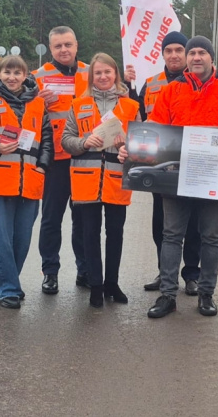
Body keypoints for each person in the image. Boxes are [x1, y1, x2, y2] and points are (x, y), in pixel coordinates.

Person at [120, 36, 218, 318]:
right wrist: (131, 150)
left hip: (215, 173)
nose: (196, 58)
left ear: (211, 58)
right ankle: (168, 295)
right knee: (171, 236)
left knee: (211, 237)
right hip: (176, 176)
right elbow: (154, 128)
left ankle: (206, 294)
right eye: (192, 53)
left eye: (202, 52)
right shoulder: (171, 91)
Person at [0, 55, 53, 309]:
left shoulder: (37, 105)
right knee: (3, 237)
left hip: (31, 179)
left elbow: (46, 139)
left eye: (18, 73)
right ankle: (8, 289)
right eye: (7, 72)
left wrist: (42, 165)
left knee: (22, 238)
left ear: (25, 76)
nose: (12, 77)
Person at [126, 31, 202, 295]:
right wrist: (127, 87)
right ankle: (164, 270)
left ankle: (192, 274)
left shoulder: (199, 81)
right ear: (162, 54)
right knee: (161, 222)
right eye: (168, 50)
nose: (173, 55)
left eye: (179, 50)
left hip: (193, 162)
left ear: (187, 52)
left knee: (193, 224)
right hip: (163, 166)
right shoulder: (150, 83)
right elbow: (137, 118)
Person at [62, 53, 140, 308]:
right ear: (91, 77)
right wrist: (84, 142)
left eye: (108, 72)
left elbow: (141, 144)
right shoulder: (78, 105)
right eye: (98, 73)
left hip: (117, 178)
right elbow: (66, 141)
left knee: (115, 233)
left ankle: (112, 284)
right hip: (85, 179)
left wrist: (128, 146)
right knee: (89, 235)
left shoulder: (130, 106)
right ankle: (95, 285)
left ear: (116, 74)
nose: (103, 76)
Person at [32, 26, 89, 295]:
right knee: (51, 219)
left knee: (83, 219)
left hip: (85, 156)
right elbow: (24, 114)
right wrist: (35, 101)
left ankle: (84, 270)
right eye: (58, 46)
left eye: (68, 44)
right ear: (50, 48)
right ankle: (50, 272)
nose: (64, 50)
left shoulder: (92, 72)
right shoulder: (38, 77)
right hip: (55, 159)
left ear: (77, 45)